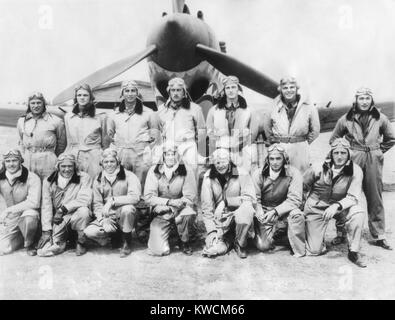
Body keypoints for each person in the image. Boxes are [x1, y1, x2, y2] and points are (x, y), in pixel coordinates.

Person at [329, 88, 395, 250]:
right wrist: (346, 152)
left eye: (367, 98)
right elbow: (334, 139)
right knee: (345, 194)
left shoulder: (381, 118)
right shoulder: (346, 119)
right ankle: (341, 233)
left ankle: (379, 235)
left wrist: (378, 151)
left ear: (371, 100)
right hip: (354, 158)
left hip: (373, 158)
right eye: (361, 98)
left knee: (375, 196)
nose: (364, 101)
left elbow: (391, 138)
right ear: (356, 100)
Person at [303, 138, 366, 267]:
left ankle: (353, 251)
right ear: (331, 154)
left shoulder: (356, 170)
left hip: (339, 206)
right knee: (314, 250)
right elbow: (303, 186)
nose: (339, 156)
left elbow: (353, 197)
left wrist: (336, 206)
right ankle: (313, 236)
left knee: (358, 212)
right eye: (336, 153)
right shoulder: (317, 167)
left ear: (349, 154)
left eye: (343, 153)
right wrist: (302, 206)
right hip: (317, 206)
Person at [84, 148, 141, 258]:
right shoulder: (98, 179)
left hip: (125, 215)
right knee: (89, 232)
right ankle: (113, 236)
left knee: (128, 209)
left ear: (118, 162)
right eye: (106, 162)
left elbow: (135, 197)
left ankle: (127, 241)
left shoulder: (129, 176)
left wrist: (113, 201)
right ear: (102, 163)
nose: (109, 165)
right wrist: (103, 220)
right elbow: (97, 204)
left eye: (112, 161)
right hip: (108, 217)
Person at [201, 146, 255, 259]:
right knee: (213, 248)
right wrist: (211, 232)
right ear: (213, 164)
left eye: (224, 161)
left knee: (246, 210)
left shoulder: (241, 173)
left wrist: (225, 202)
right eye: (217, 162)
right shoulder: (208, 178)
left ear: (230, 161)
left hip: (239, 216)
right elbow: (207, 209)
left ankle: (240, 243)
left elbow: (250, 198)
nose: (221, 165)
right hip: (220, 221)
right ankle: (228, 241)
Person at [251, 144, 305, 257]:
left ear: (284, 159)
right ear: (267, 160)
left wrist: (276, 211)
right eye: (272, 158)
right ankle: (279, 234)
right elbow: (255, 198)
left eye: (278, 158)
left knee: (297, 215)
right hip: (266, 211)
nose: (275, 162)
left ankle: (292, 239)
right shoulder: (258, 174)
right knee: (263, 246)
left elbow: (294, 199)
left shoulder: (294, 173)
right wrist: (260, 212)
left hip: (285, 210)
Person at [144, 141, 197, 256]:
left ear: (178, 155)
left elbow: (190, 197)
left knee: (188, 214)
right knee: (157, 251)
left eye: (173, 154)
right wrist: (168, 203)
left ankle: (184, 241)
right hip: (162, 211)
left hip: (181, 209)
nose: (170, 157)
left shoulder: (186, 170)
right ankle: (167, 236)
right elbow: (149, 197)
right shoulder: (154, 171)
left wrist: (175, 208)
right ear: (162, 156)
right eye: (167, 154)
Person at [37, 153, 92, 257]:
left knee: (84, 211)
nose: (67, 169)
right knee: (44, 251)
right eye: (63, 166)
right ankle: (62, 241)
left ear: (75, 166)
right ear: (58, 167)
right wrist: (46, 230)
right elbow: (46, 206)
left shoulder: (84, 177)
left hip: (76, 214)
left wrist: (62, 209)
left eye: (70, 166)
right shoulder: (49, 180)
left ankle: (81, 241)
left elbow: (84, 199)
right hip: (60, 218)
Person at [107, 80, 161, 182]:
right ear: (122, 93)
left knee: (141, 184)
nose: (130, 94)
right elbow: (109, 137)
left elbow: (156, 138)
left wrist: (148, 152)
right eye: (127, 91)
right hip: (121, 155)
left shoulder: (149, 113)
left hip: (140, 156)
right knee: (122, 183)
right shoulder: (113, 115)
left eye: (133, 91)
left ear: (137, 93)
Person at [264, 77, 320, 173]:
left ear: (296, 89)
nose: (289, 90)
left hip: (300, 150)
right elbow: (267, 128)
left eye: (292, 87)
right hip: (280, 148)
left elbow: (315, 130)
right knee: (281, 179)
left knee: (302, 179)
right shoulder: (272, 107)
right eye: (285, 88)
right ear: (280, 90)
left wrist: (302, 143)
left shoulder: (309, 107)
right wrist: (277, 144)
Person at [156, 77, 206, 176]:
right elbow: (158, 130)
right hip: (169, 149)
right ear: (169, 92)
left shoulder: (195, 109)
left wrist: (192, 144)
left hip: (188, 147)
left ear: (184, 92)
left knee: (191, 174)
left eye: (179, 90)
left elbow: (202, 131)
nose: (175, 93)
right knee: (171, 175)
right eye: (173, 90)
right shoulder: (161, 110)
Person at [206, 76, 256, 173]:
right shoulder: (214, 110)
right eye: (227, 88)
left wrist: (242, 145)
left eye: (233, 87)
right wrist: (219, 146)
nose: (231, 91)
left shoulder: (249, 110)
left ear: (238, 89)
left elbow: (253, 132)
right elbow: (209, 131)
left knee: (242, 175)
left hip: (241, 150)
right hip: (221, 150)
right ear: (224, 90)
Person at [64, 83, 110, 179]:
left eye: (85, 95)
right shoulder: (69, 117)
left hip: (94, 156)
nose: (82, 98)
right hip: (75, 155)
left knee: (94, 183)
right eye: (79, 95)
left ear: (90, 97)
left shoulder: (101, 116)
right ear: (76, 98)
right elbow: (68, 142)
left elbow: (105, 142)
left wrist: (103, 157)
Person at [17, 91, 66, 180]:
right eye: (33, 103)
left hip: (48, 160)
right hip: (28, 160)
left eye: (39, 102)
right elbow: (21, 141)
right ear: (29, 105)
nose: (36, 106)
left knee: (47, 188)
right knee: (29, 186)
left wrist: (53, 158)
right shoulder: (22, 121)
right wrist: (24, 157)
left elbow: (61, 145)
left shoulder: (56, 121)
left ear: (44, 104)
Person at [0, 149, 41, 256]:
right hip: (11, 218)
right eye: (8, 161)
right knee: (3, 249)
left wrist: (9, 210)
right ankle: (19, 237)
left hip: (27, 214)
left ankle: (30, 243)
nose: (11, 164)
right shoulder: (1, 178)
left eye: (14, 160)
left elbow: (34, 202)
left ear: (20, 161)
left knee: (30, 216)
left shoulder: (32, 177)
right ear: (4, 163)